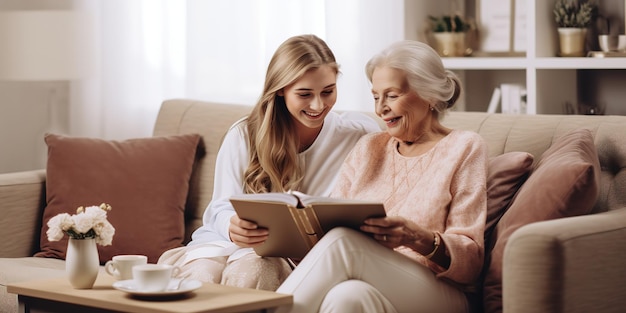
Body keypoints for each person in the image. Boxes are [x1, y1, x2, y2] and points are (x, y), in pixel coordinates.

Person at [272, 40, 488, 313]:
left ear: (430, 95)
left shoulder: (465, 147)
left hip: (441, 292)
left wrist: (415, 237)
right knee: (347, 296)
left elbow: (471, 262)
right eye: (376, 97)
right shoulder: (368, 147)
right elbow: (327, 227)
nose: (380, 109)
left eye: (392, 95)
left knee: (343, 242)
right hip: (374, 281)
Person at [157, 34, 380, 291]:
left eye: (328, 91)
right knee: (202, 274)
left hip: (288, 257)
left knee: (254, 269)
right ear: (281, 90)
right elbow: (219, 206)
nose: (319, 105)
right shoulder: (244, 134)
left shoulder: (356, 134)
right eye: (304, 94)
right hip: (222, 244)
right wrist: (233, 226)